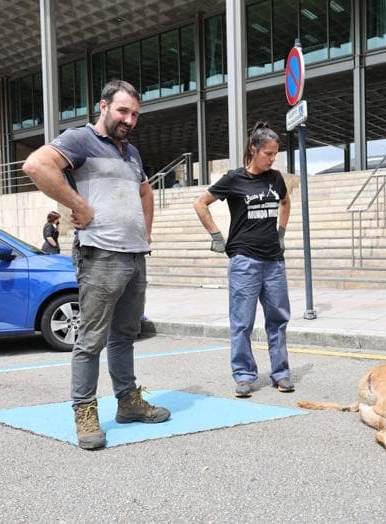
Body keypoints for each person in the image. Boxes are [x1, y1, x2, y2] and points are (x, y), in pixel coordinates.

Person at [22, 80, 169, 450]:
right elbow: (37, 165)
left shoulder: (131, 152)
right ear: (102, 106)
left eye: (135, 113)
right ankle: (85, 411)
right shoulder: (79, 140)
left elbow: (145, 190)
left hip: (135, 256)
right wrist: (80, 205)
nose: (129, 119)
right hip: (100, 254)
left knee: (125, 335)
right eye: (122, 111)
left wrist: (145, 233)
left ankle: (128, 402)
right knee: (91, 340)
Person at [193, 121, 293, 398]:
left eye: (275, 154)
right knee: (242, 323)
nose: (273, 159)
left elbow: (285, 202)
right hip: (244, 261)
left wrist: (281, 232)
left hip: (274, 261)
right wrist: (216, 235)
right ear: (254, 149)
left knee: (278, 320)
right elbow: (200, 203)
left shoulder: (275, 179)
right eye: (268, 154)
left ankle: (281, 372)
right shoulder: (234, 179)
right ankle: (244, 375)